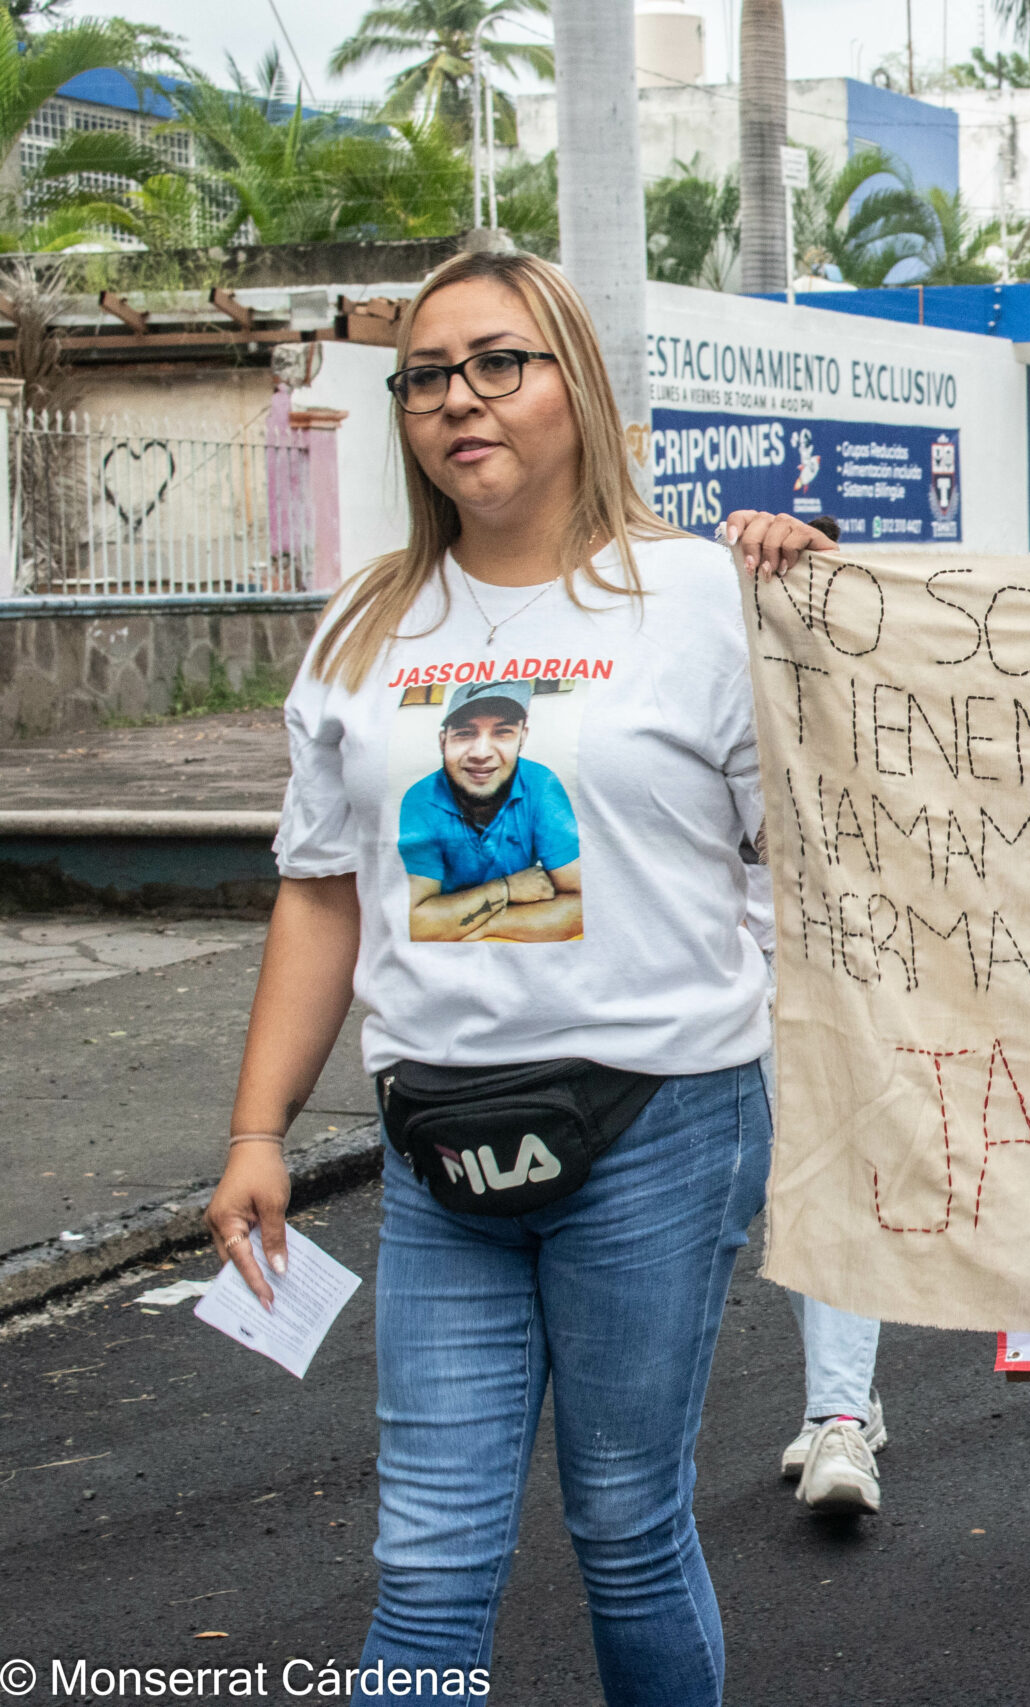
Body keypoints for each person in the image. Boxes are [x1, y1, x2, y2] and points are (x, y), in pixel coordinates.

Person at [205, 251, 779, 1703]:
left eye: (498, 363)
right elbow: (323, 890)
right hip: (434, 1133)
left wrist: (817, 611)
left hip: (660, 1121)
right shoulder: (364, 626)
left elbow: (809, 853)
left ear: (574, 383)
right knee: (431, 1556)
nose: (459, 399)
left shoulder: (702, 595)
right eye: (425, 376)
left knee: (627, 1527)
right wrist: (258, 1130)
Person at [399, 679, 584, 942]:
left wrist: (480, 925)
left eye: (502, 732)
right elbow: (417, 925)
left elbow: (585, 907)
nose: (481, 752)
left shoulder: (540, 785)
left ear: (523, 738)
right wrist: (505, 889)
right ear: (443, 741)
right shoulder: (421, 798)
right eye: (464, 733)